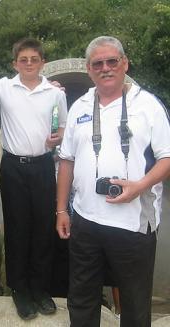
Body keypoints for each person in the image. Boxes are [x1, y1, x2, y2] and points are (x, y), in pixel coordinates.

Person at [56, 36, 170, 327]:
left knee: (134, 302)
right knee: (81, 297)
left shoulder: (147, 105)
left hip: (133, 223)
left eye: (112, 61)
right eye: (98, 63)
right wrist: (61, 210)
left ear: (124, 63)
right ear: (89, 68)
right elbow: (66, 160)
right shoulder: (80, 105)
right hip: (85, 219)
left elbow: (167, 158)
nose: (105, 68)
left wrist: (140, 186)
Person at [0, 38, 67, 319]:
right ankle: (19, 290)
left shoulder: (55, 94)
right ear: (14, 63)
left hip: (44, 166)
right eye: (24, 59)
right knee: (17, 229)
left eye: (34, 59)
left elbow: (63, 128)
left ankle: (40, 289)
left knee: (43, 230)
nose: (29, 63)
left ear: (42, 62)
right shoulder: (2, 87)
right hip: (13, 168)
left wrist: (56, 139)